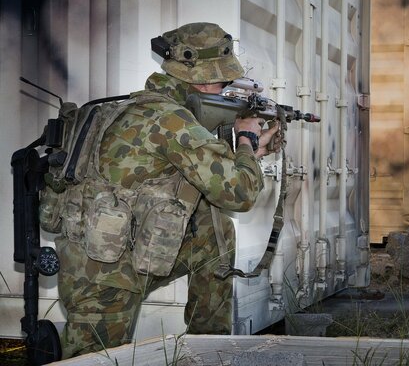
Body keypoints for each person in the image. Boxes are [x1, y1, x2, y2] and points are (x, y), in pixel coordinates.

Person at [54, 22, 280, 358]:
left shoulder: (118, 109)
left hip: (100, 255)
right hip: (106, 280)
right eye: (223, 81)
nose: (225, 88)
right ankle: (209, 349)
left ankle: (206, 350)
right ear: (203, 79)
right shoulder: (171, 121)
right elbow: (240, 193)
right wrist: (246, 140)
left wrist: (240, 149)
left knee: (213, 231)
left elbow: (176, 175)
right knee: (92, 361)